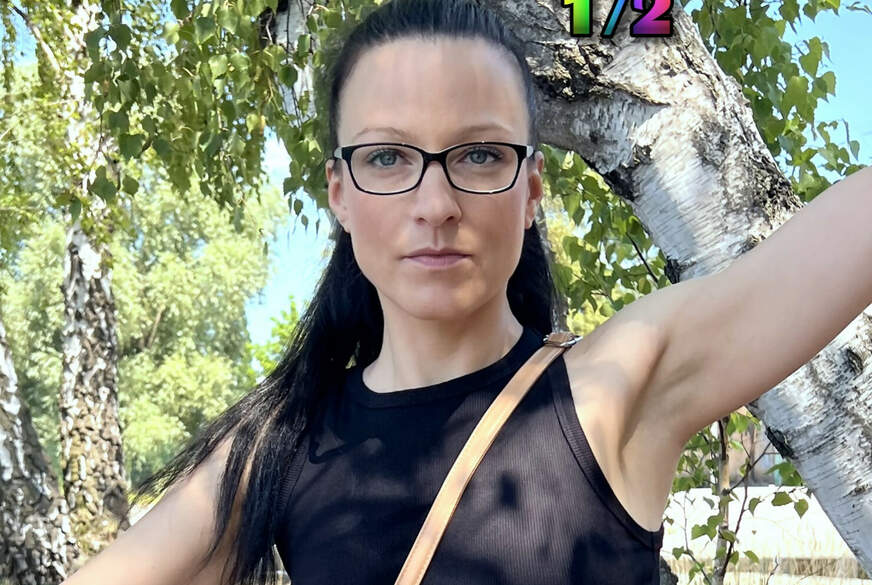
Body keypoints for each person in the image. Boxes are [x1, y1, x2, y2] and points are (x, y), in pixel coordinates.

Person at [60, 0, 872, 583]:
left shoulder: (614, 389)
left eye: (480, 154)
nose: (436, 203)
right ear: (340, 194)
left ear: (531, 189)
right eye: (388, 157)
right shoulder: (279, 442)